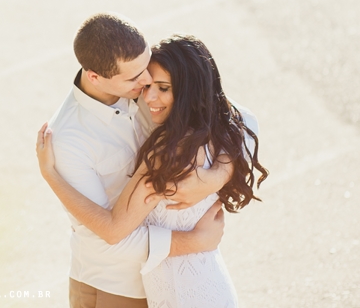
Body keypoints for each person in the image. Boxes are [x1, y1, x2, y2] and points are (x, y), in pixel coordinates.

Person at [37, 29, 268, 308]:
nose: (146, 89)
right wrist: (196, 240)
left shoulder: (167, 151)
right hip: (118, 287)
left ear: (190, 90)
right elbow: (108, 238)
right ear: (96, 77)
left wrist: (216, 175)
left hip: (181, 294)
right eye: (141, 81)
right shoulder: (69, 138)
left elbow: (113, 228)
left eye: (161, 86)